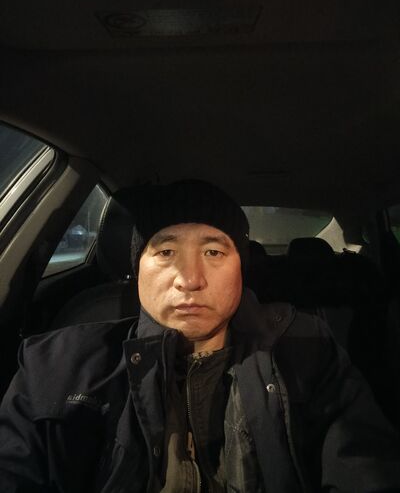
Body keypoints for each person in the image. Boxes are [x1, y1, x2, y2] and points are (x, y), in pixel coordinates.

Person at [0, 179, 400, 493]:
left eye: (213, 252)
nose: (190, 280)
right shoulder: (53, 367)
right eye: (165, 253)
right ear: (138, 269)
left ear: (241, 269)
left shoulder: (308, 352)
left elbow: (366, 468)